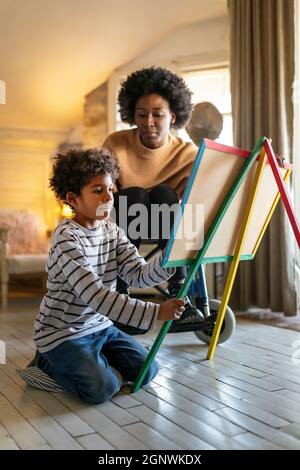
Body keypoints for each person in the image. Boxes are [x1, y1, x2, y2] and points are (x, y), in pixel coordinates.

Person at [23, 147, 185, 404]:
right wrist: (155, 313)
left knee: (148, 371)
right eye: (98, 191)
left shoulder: (113, 231)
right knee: (102, 388)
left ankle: (93, 361)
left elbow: (137, 274)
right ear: (73, 199)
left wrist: (169, 261)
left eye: (110, 189)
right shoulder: (67, 238)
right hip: (63, 333)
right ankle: (45, 363)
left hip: (100, 326)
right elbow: (97, 296)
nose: (108, 197)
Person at [103, 66, 203, 328]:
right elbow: (101, 186)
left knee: (164, 192)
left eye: (157, 115)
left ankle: (178, 290)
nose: (149, 122)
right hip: (127, 224)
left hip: (166, 223)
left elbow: (218, 178)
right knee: (135, 194)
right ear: (132, 116)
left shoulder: (188, 153)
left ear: (172, 116)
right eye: (141, 114)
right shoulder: (115, 143)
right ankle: (122, 293)